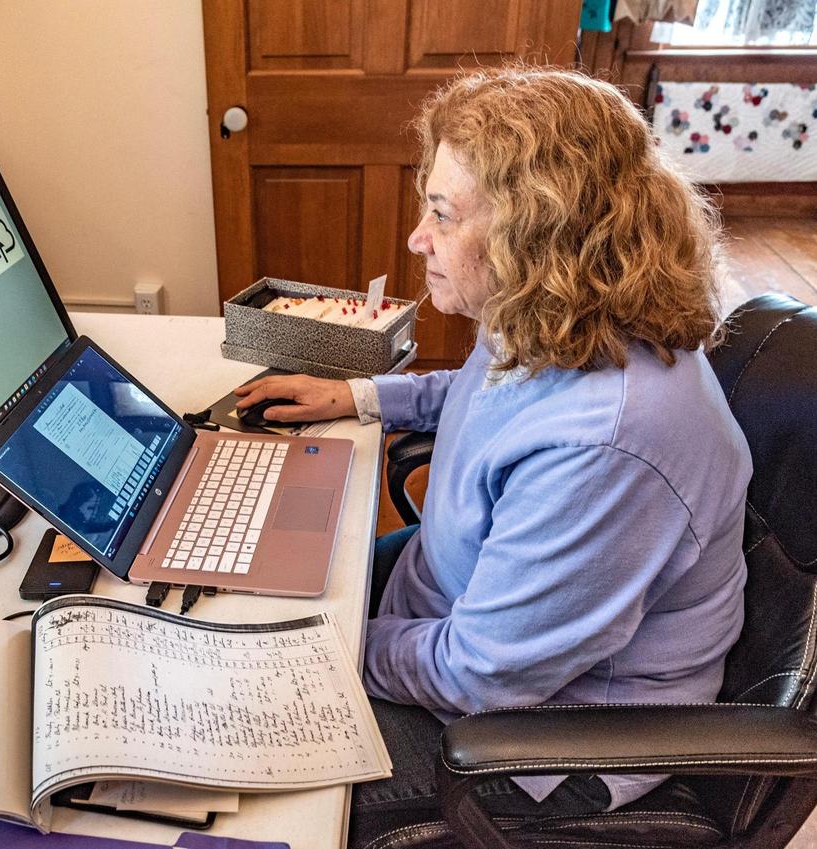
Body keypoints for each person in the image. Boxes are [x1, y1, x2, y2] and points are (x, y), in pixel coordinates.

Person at [234, 66, 752, 840]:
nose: (417, 238)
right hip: (456, 613)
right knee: (244, 592)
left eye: (442, 215)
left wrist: (330, 640)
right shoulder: (555, 307)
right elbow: (484, 391)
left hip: (531, 740)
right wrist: (359, 397)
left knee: (248, 778)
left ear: (532, 236)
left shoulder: (607, 445)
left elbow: (480, 676)